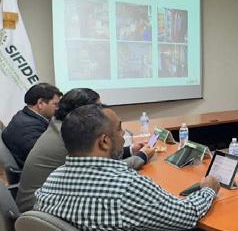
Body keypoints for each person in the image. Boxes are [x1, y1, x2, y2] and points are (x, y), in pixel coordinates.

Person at [34, 104, 226, 231]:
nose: (123, 135)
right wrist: (208, 190)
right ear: (104, 141)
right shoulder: (125, 186)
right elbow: (188, 214)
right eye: (119, 129)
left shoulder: (53, 178)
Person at [16, 88, 154, 212]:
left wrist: (130, 150)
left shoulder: (60, 125)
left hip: (47, 202)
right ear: (84, 113)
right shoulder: (71, 136)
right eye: (97, 108)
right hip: (39, 210)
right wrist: (141, 156)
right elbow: (102, 171)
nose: (102, 112)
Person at [2, 83, 62, 167]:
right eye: (55, 104)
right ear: (40, 103)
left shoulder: (23, 115)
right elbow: (47, 158)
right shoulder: (29, 128)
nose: (58, 108)